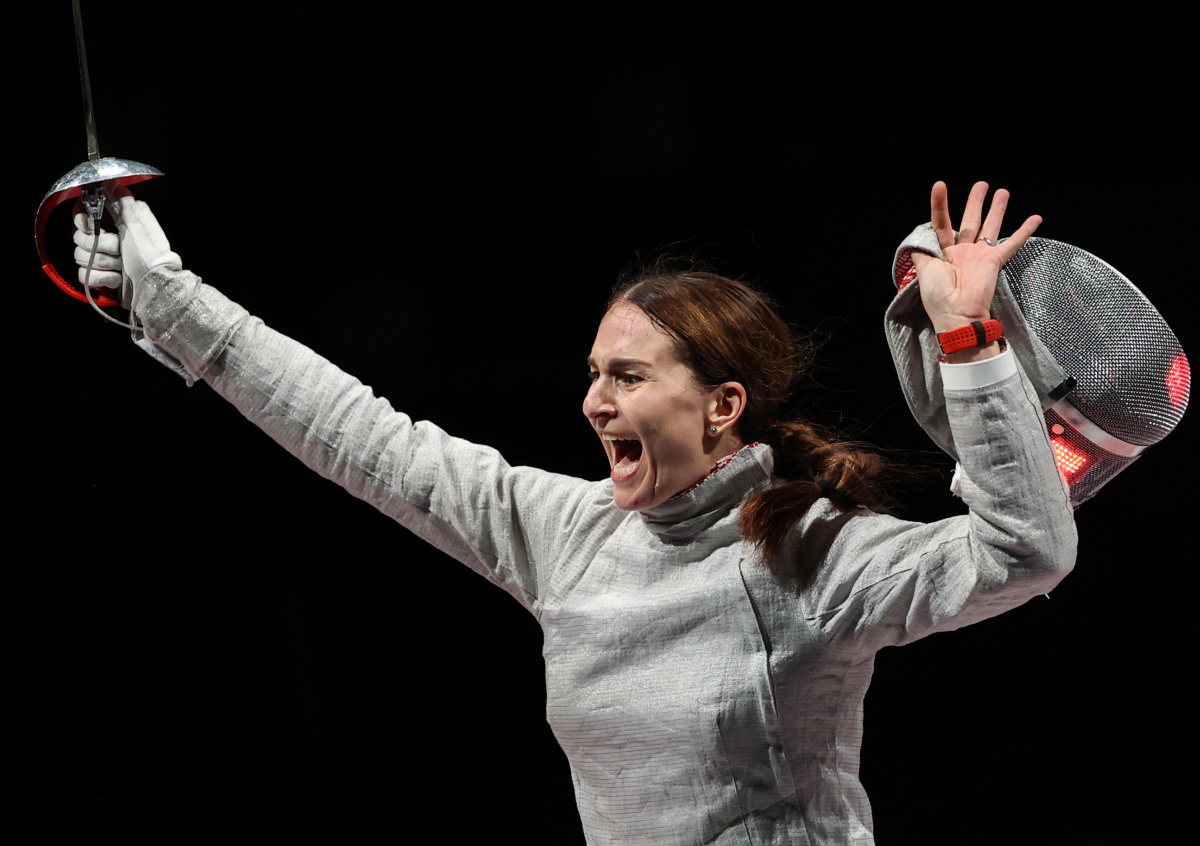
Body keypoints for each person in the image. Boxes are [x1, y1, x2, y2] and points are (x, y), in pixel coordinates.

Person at [73, 182, 1076, 844]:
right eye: (594, 374)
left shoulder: (811, 554)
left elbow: (1026, 549)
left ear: (721, 406)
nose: (595, 403)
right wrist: (169, 300)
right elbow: (361, 437)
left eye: (628, 377)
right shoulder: (570, 533)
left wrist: (970, 343)